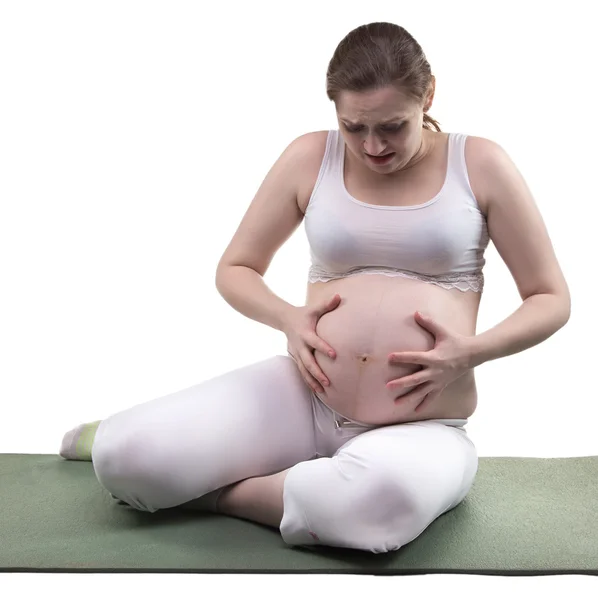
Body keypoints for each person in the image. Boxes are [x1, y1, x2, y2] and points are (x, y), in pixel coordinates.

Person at [58, 22, 571, 554]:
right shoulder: (310, 157)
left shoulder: (480, 164)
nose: (372, 146)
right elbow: (236, 267)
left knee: (376, 506)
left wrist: (471, 352)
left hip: (426, 423)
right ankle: (177, 456)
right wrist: (288, 317)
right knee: (125, 460)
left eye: (393, 127)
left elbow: (550, 297)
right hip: (305, 397)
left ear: (429, 95)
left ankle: (216, 494)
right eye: (354, 127)